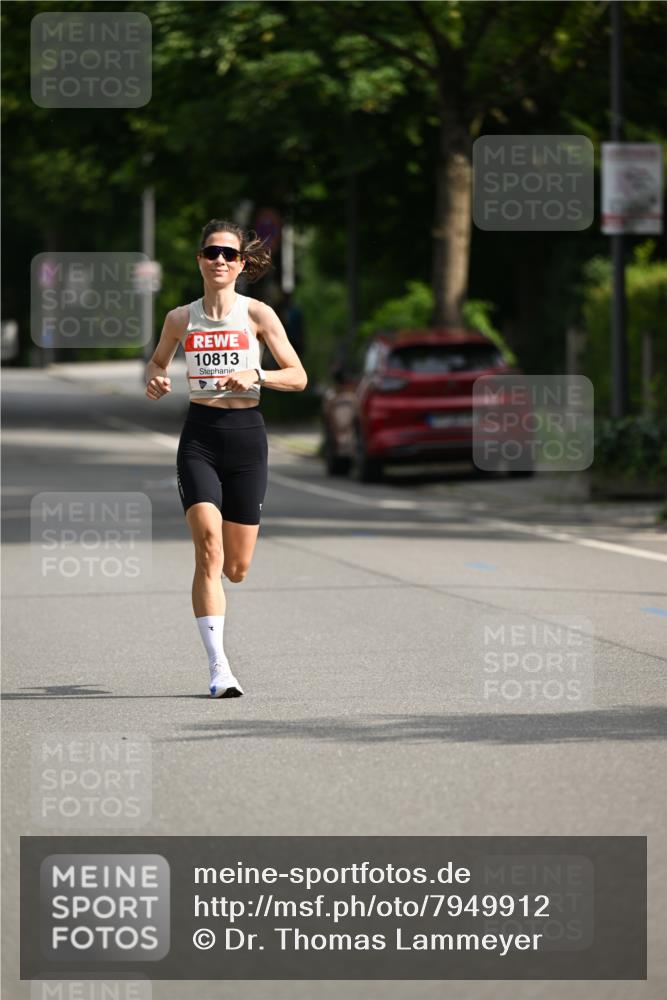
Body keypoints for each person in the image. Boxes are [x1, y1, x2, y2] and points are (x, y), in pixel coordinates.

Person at [144, 219, 307, 698]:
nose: (219, 261)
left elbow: (298, 376)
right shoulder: (180, 319)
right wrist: (155, 378)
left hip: (247, 440)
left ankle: (221, 640)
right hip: (200, 437)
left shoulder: (258, 315)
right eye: (211, 252)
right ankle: (220, 669)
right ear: (199, 259)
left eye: (229, 255)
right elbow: (157, 362)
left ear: (241, 265)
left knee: (236, 567)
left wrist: (255, 374)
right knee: (208, 548)